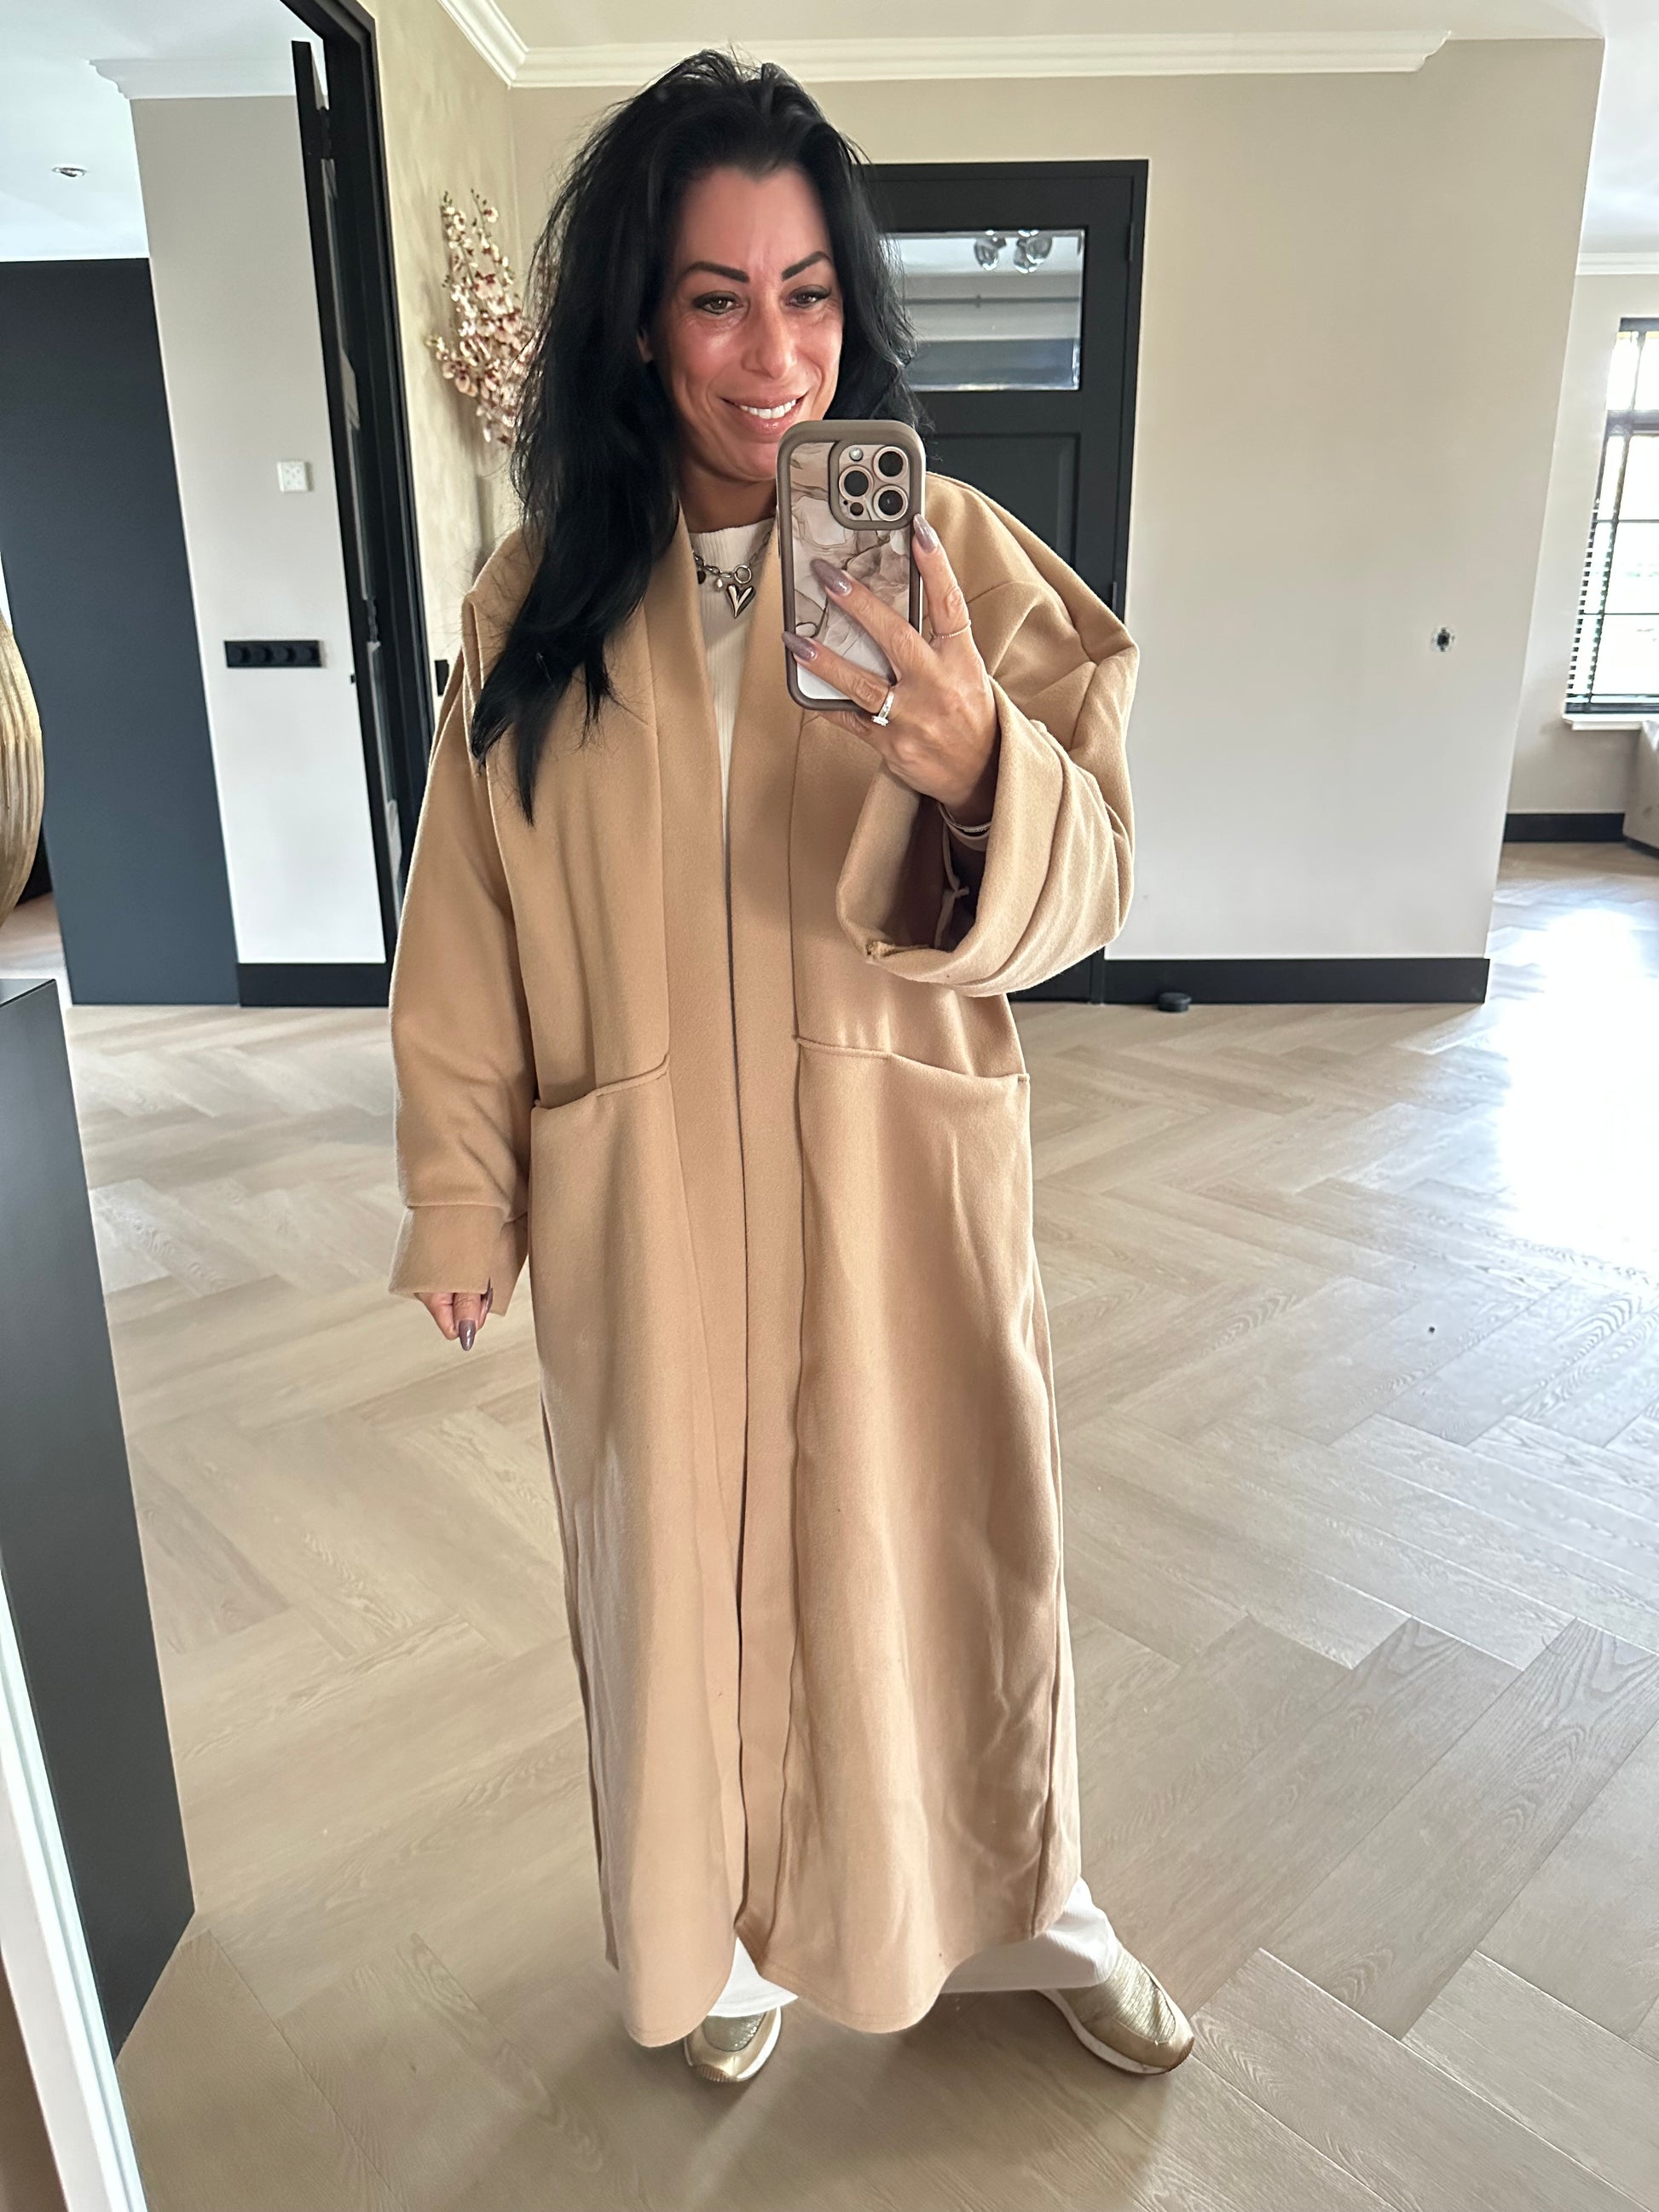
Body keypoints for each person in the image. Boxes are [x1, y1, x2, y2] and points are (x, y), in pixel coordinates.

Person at [387, 49, 1191, 2088]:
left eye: (810, 292)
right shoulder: (536, 602)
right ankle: (718, 1935)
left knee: (947, 1567)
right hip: (646, 1201)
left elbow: (1096, 872)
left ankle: (1025, 1911)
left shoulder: (957, 559)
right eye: (717, 297)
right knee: (677, 1588)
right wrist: (464, 1190)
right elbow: (462, 916)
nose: (773, 354)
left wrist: (979, 767)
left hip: (891, 1178)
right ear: (635, 325)